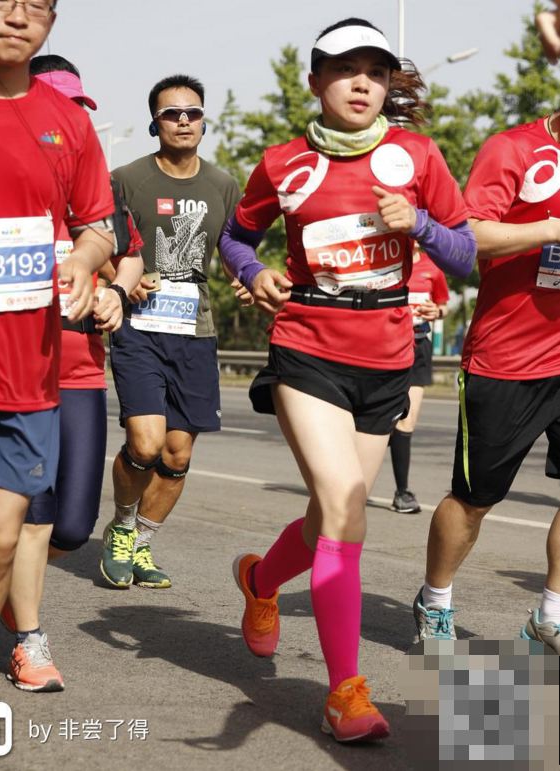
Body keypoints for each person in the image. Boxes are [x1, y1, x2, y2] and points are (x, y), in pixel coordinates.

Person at [220, 17, 476, 743]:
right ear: (315, 82)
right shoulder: (282, 163)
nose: (361, 82)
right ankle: (344, 691)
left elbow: (465, 258)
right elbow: (236, 236)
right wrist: (254, 271)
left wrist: (420, 224)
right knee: (344, 506)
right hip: (306, 345)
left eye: (375, 70)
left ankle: (261, 580)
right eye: (344, 68)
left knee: (330, 515)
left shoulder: (416, 155)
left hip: (388, 352)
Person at [0, 0, 115, 750]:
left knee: (3, 546)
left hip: (34, 371)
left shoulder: (65, 120)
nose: (19, 16)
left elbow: (98, 222)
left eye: (37, 4)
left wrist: (83, 260)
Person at [0, 54, 144, 693]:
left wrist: (116, 292)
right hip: (7, 375)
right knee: (27, 515)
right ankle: (29, 639)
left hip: (81, 372)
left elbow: (130, 256)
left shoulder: (99, 198)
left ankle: (4, 588)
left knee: (74, 525)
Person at [413, 109, 560, 654]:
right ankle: (436, 600)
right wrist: (552, 228)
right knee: (475, 500)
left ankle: (551, 615)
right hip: (509, 357)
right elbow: (469, 235)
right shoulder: (514, 149)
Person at [102, 74, 243, 589]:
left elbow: (233, 249)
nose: (184, 120)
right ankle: (119, 526)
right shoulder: (126, 179)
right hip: (139, 327)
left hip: (195, 330)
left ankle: (141, 543)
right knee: (145, 442)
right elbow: (97, 244)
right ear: (154, 123)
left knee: (177, 452)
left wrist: (246, 279)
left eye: (193, 112)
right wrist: (120, 283)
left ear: (204, 122)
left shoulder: (223, 184)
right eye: (172, 113)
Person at [390, 243, 449, 513]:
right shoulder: (385, 263)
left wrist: (436, 312)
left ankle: (402, 493)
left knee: (407, 421)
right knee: (374, 420)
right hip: (385, 348)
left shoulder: (432, 268)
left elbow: (443, 306)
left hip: (419, 347)